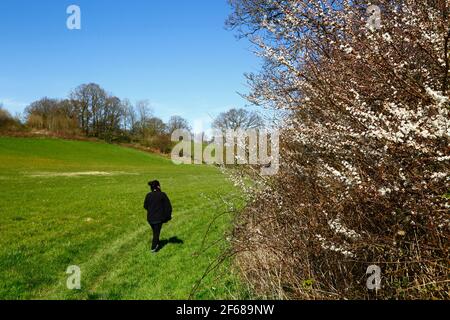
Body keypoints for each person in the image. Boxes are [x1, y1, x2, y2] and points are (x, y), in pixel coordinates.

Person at [144, 180, 172, 253]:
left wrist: (151, 210)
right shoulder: (162, 194)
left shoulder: (148, 195)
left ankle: (157, 242)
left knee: (155, 231)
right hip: (158, 219)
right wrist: (167, 216)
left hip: (150, 219)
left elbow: (145, 206)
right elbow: (168, 207)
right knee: (156, 233)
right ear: (158, 186)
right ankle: (153, 249)